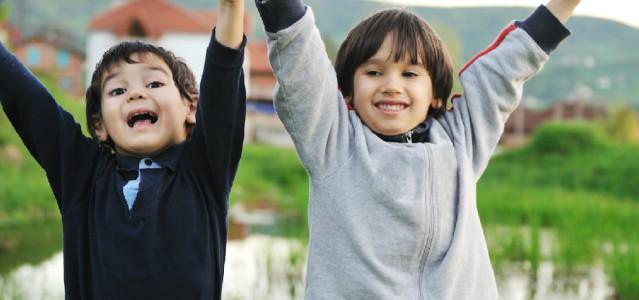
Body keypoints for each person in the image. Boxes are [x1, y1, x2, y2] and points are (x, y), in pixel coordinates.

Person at [254, 0, 580, 298]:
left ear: (436, 94)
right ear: (348, 90)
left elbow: (506, 68)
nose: (391, 85)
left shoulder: (461, 142)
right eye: (373, 72)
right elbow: (301, 64)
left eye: (410, 73)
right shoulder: (332, 143)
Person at [0, 0, 245, 298]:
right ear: (100, 124)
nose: (136, 93)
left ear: (191, 106)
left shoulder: (204, 171)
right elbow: (30, 103)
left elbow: (223, 77)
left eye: (154, 83)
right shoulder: (85, 178)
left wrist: (232, 8)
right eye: (118, 90)